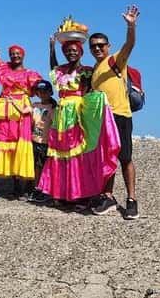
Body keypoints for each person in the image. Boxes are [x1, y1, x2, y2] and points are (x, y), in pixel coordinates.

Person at [37, 39, 120, 206]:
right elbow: (53, 66)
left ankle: (79, 193)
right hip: (61, 116)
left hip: (77, 114)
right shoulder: (60, 71)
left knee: (77, 153)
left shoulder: (86, 71)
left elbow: (91, 90)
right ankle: (60, 193)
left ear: (81, 52)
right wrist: (52, 48)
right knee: (60, 153)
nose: (71, 53)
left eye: (74, 50)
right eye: (68, 50)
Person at [88, 5, 140, 219]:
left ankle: (131, 200)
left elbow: (129, 44)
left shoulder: (115, 60)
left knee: (125, 158)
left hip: (120, 116)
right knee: (106, 159)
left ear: (108, 46)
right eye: (94, 46)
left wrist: (131, 25)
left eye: (101, 45)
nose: (98, 49)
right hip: (102, 120)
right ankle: (108, 196)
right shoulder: (93, 71)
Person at [0, 32, 42, 198]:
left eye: (18, 54)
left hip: (22, 112)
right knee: (9, 145)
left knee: (22, 145)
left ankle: (28, 183)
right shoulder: (5, 68)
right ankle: (15, 184)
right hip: (4, 113)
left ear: (23, 56)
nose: (15, 56)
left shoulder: (30, 74)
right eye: (12, 54)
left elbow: (41, 89)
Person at [27, 80, 56, 203]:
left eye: (45, 91)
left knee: (44, 166)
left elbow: (54, 125)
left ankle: (44, 188)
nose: (42, 94)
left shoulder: (53, 108)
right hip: (33, 140)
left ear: (50, 92)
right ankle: (36, 187)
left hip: (45, 142)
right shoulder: (34, 105)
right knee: (35, 165)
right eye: (39, 92)